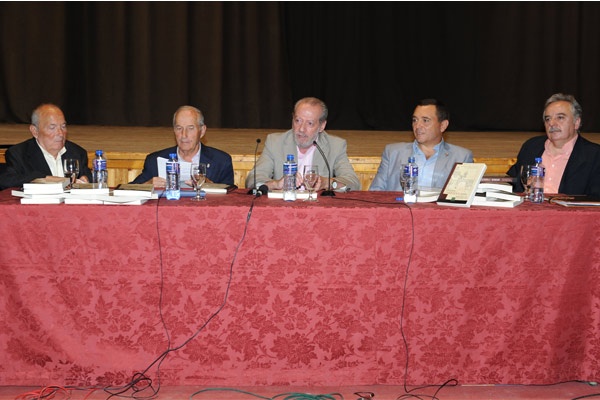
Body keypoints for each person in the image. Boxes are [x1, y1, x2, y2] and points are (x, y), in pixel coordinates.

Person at [245, 97, 361, 192]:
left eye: (309, 123)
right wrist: (276, 184)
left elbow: (353, 183)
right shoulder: (275, 142)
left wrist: (328, 183)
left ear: (322, 126)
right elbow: (252, 179)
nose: (301, 129)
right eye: (298, 121)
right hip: (283, 206)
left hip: (317, 208)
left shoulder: (335, 146)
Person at [369, 99, 473, 191]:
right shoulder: (393, 153)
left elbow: (462, 198)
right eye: (415, 120)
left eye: (425, 120)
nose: (417, 126)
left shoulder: (461, 157)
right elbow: (375, 193)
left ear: (443, 125)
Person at [507, 93, 600, 196]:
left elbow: (595, 199)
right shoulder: (531, 147)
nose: (551, 123)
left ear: (576, 122)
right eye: (548, 119)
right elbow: (512, 182)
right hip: (528, 205)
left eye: (560, 117)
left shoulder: (594, 155)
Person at [131, 105, 234, 187]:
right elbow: (128, 190)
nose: (184, 135)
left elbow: (231, 197)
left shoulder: (221, 161)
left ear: (202, 131)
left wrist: (209, 186)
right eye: (179, 128)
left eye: (190, 128)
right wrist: (147, 185)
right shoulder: (154, 160)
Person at [0, 103, 92, 190]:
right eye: (52, 128)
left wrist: (86, 179)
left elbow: (89, 177)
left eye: (63, 126)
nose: (60, 133)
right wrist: (42, 179)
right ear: (35, 131)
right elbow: (6, 180)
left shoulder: (77, 153)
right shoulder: (19, 154)